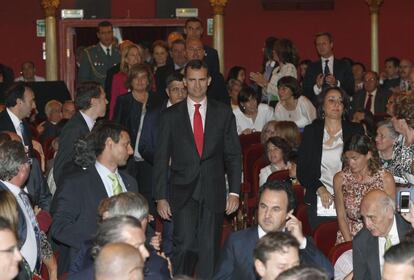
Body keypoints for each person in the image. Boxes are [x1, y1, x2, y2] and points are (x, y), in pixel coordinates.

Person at [153, 59, 241, 278]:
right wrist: (160, 196)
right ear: (184, 81)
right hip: (182, 191)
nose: (197, 85)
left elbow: (233, 155)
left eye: (202, 80)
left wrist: (234, 192)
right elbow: (161, 158)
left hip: (214, 189)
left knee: (210, 249)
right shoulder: (170, 116)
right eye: (192, 80)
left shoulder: (223, 113)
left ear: (209, 81)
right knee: (184, 246)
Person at [50, 122, 138, 275]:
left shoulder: (131, 182)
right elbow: (59, 228)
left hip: (130, 264)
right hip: (91, 264)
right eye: (126, 144)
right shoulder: (77, 183)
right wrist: (103, 241)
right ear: (109, 144)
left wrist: (149, 236)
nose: (131, 151)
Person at [214, 180, 333, 280]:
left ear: (289, 213)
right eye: (263, 206)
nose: (267, 215)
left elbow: (328, 274)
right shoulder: (237, 242)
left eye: (275, 209)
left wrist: (301, 242)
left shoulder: (299, 244)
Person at [297, 87, 364, 230]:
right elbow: (302, 171)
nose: (336, 104)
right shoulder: (311, 131)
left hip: (350, 198)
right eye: (331, 100)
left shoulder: (355, 130)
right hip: (321, 198)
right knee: (325, 242)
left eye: (340, 101)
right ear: (322, 106)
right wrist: (319, 189)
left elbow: (364, 165)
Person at [113, 63, 161, 215]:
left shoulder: (158, 99)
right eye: (136, 77)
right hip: (129, 158)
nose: (140, 81)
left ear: (149, 80)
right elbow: (116, 128)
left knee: (149, 198)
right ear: (130, 80)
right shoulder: (124, 100)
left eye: (144, 77)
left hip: (150, 157)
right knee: (130, 197)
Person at [333, 134, 396, 244]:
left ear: (368, 155)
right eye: (347, 158)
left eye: (354, 158)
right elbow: (342, 217)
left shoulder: (385, 179)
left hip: (378, 235)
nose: (350, 163)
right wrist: (349, 245)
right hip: (349, 235)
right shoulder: (340, 178)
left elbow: (390, 216)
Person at [53, 81, 108, 186]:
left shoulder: (95, 126)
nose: (107, 101)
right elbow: (61, 170)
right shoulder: (74, 129)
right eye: (104, 98)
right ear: (93, 101)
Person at [0, 141, 41, 277]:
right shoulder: (3, 200)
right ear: (22, 168)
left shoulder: (20, 194)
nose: (30, 165)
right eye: (28, 161)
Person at [353, 190, 412, 280]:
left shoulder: (409, 227)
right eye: (363, 218)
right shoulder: (361, 241)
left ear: (389, 212)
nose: (367, 224)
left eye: (371, 217)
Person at [67, 215, 150, 280]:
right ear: (113, 248)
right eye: (137, 246)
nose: (147, 253)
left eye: (144, 244)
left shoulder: (154, 273)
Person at [303, 32, 354, 105]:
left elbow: (350, 89)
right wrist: (317, 87)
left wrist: (336, 83)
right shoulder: (311, 67)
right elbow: (305, 92)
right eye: (318, 44)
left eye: (324, 44)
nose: (321, 47)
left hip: (339, 106)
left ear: (331, 45)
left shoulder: (344, 65)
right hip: (319, 107)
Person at [250, 38, 298, 104]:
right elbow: (270, 92)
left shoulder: (289, 67)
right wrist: (262, 84)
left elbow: (286, 92)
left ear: (282, 52)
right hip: (272, 103)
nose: (273, 52)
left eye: (276, 50)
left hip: (284, 105)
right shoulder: (276, 69)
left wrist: (265, 83)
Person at [185, 38, 229, 104]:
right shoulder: (176, 75)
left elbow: (225, 105)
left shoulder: (216, 78)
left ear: (204, 53)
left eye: (199, 49)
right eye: (191, 49)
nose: (195, 53)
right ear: (185, 53)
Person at [77, 21, 121, 86]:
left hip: (116, 93)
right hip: (98, 93)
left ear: (112, 33)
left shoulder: (120, 52)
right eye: (103, 33)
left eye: (109, 32)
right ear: (98, 35)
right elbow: (83, 80)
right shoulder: (89, 53)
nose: (107, 36)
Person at [0, 82, 36, 154]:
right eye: (31, 101)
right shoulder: (1, 124)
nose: (34, 106)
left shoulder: (25, 125)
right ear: (19, 102)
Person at [108, 43, 142, 119]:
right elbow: (114, 102)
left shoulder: (147, 75)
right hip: (124, 117)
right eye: (133, 55)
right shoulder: (118, 77)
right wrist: (112, 121)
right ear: (126, 59)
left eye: (138, 55)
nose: (136, 57)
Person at [389, 94, 414, 183]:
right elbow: (394, 171)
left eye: (394, 116)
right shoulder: (399, 141)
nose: (391, 120)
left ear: (403, 120)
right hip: (401, 192)